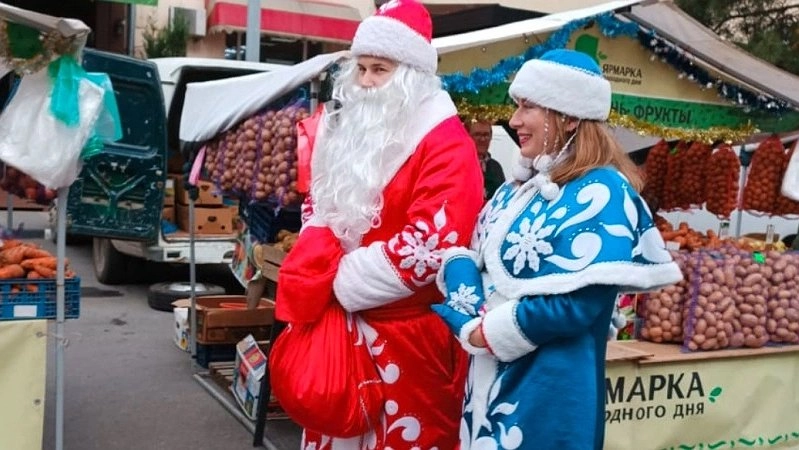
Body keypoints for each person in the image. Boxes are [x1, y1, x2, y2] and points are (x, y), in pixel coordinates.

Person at [431, 49, 684, 449]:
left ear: (569, 117)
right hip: (486, 378)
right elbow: (479, 256)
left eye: (527, 106)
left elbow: (580, 304)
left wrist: (487, 330)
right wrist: (463, 288)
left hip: (548, 391)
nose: (513, 121)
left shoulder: (605, 191)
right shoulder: (516, 190)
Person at [273, 0, 485, 448]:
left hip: (407, 342)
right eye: (362, 68)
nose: (367, 82)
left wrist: (339, 282)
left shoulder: (447, 143)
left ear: (411, 75)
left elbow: (433, 242)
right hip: (337, 328)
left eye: (380, 70)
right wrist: (316, 259)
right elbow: (318, 202)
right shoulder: (345, 128)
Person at [467, 118, 506, 199]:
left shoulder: (496, 167)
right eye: (477, 134)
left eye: (486, 135)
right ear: (467, 136)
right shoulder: (458, 166)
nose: (482, 139)